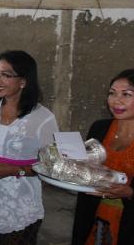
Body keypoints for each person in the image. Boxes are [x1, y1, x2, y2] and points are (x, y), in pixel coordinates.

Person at [0, 50, 58, 245]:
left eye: (6, 75)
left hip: (20, 201)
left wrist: (15, 170)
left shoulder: (43, 118)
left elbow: (53, 166)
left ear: (24, 81)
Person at [71, 69, 134, 245]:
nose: (116, 100)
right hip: (93, 216)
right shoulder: (100, 128)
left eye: (126, 94)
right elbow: (86, 168)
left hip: (127, 224)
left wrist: (129, 192)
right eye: (112, 93)